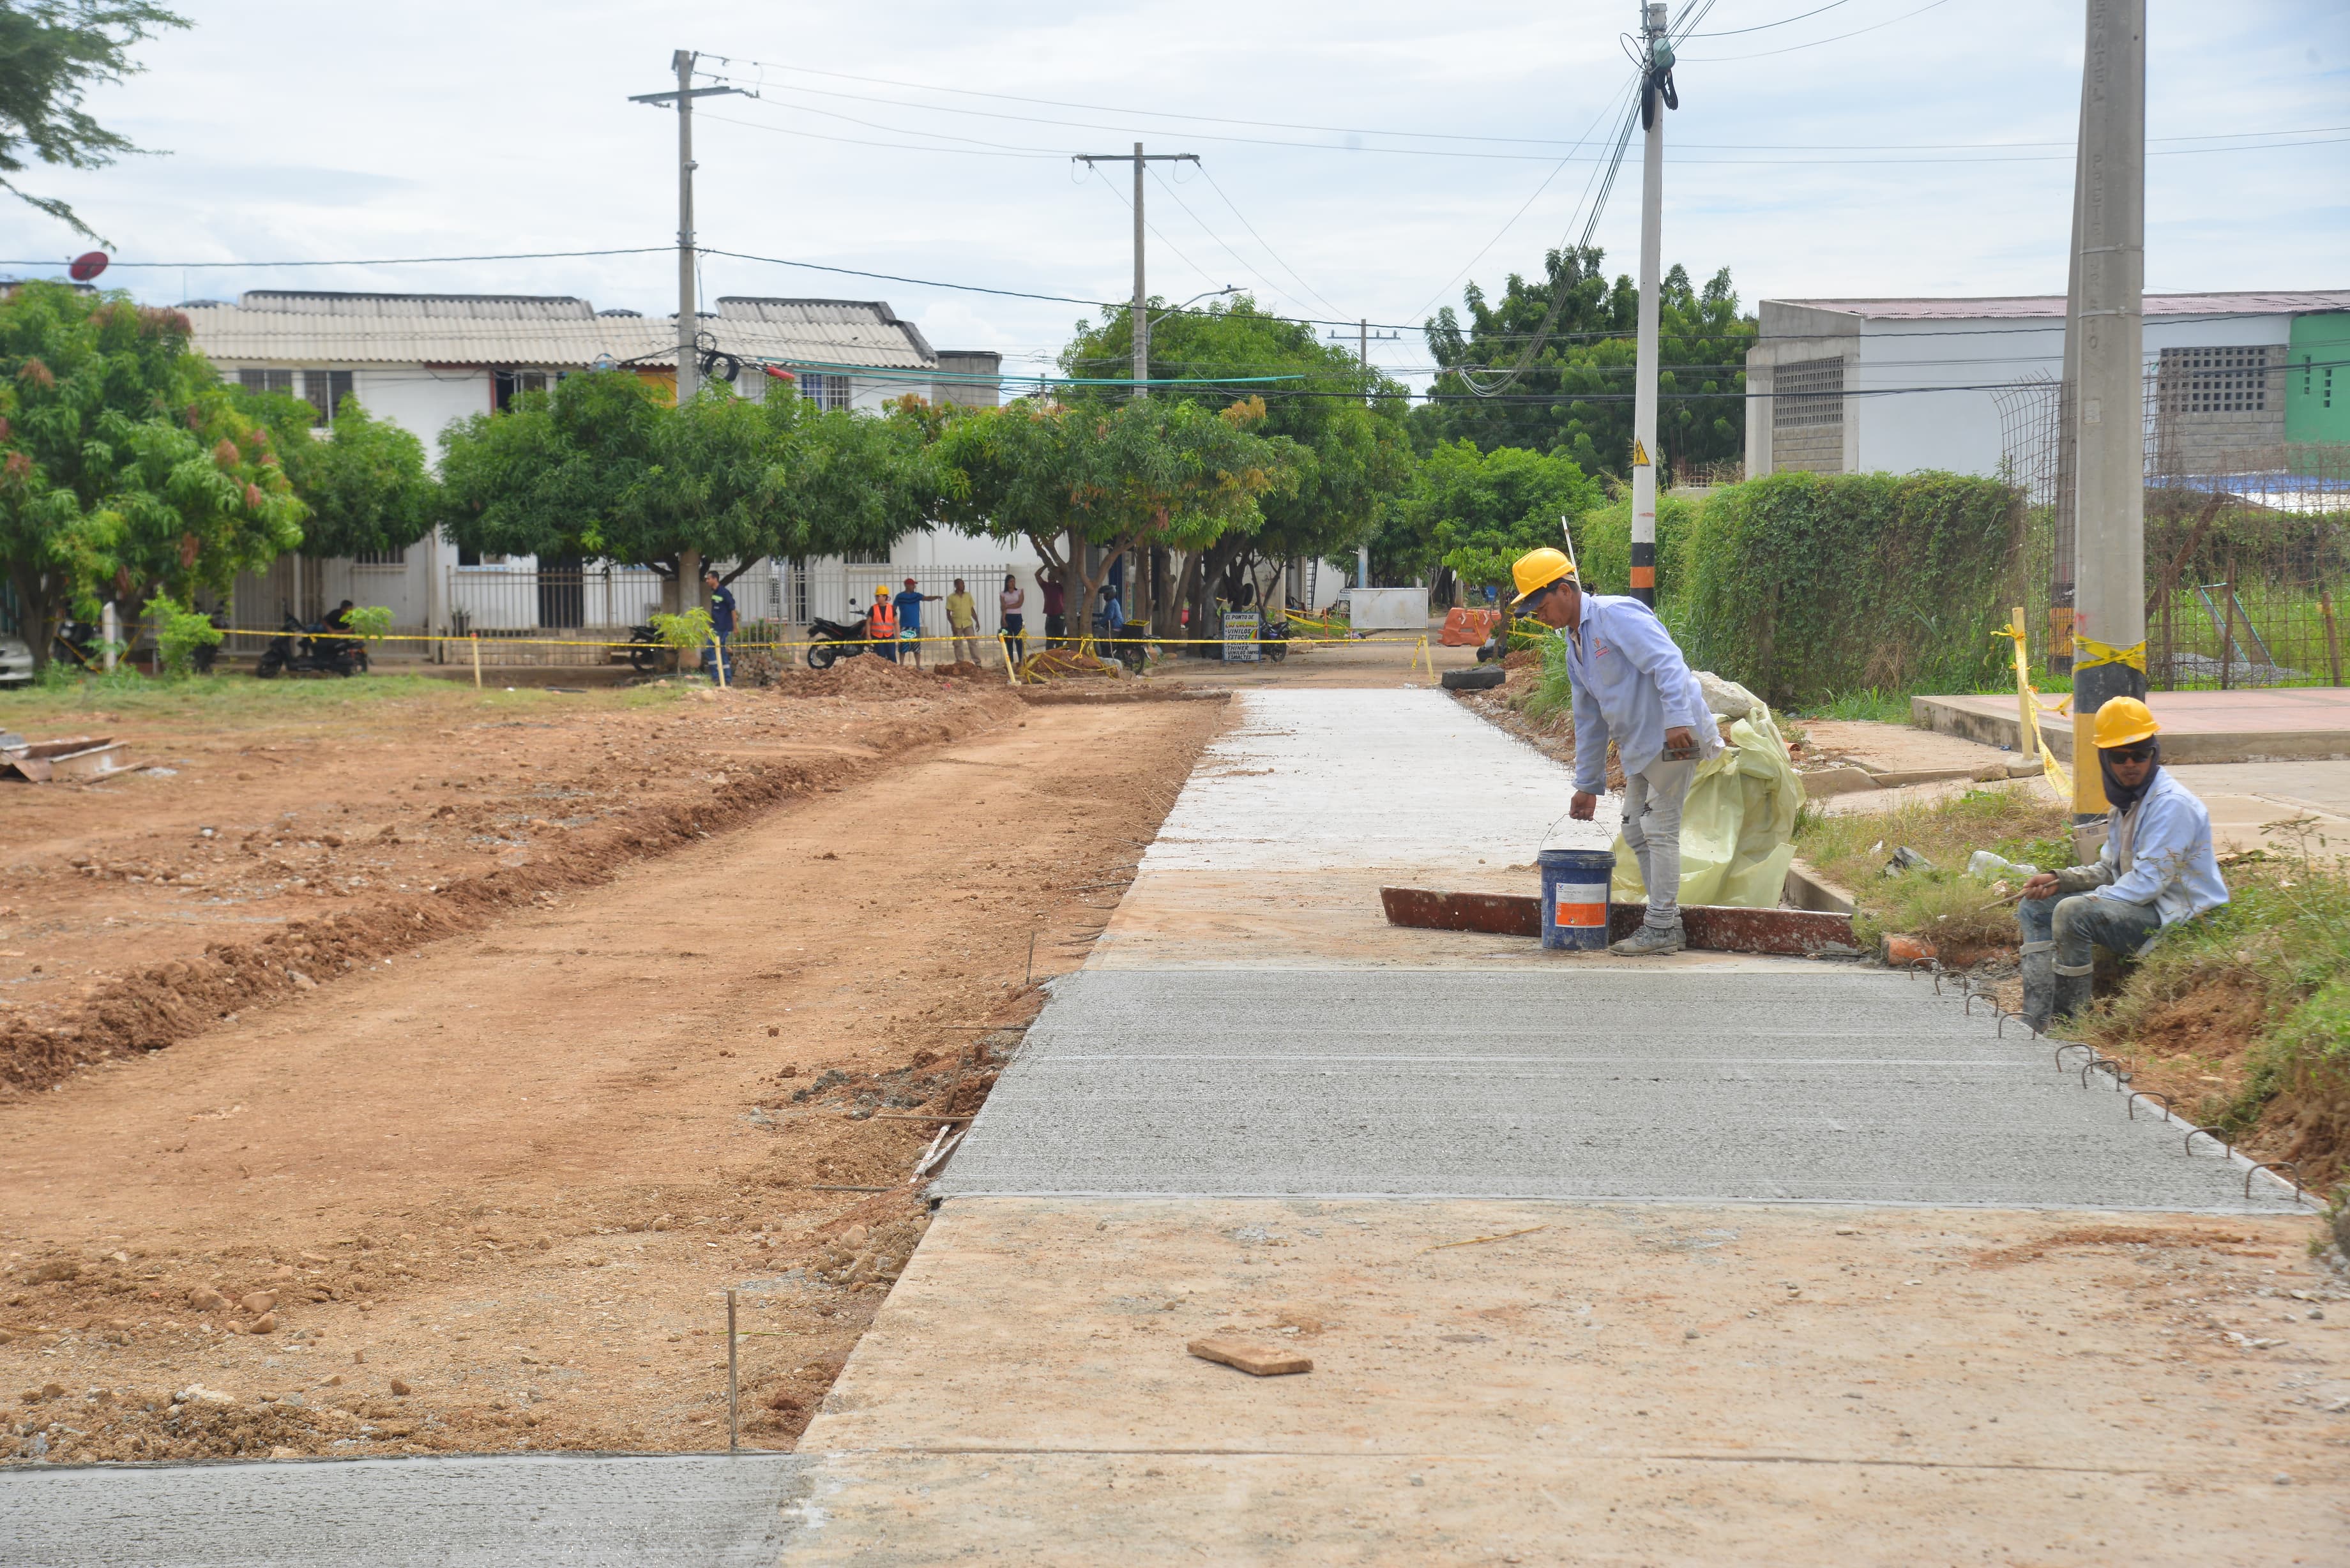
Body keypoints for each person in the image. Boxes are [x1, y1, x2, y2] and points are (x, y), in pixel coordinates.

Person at [1510, 545, 1720, 956]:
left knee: (1658, 829)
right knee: (1634, 830)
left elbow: (1669, 663)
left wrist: (1678, 719)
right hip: (1642, 746)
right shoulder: (1575, 646)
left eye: (1542, 604)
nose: (1540, 615)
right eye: (1533, 610)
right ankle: (1666, 921)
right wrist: (1588, 783)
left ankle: (1661, 925)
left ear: (1566, 590)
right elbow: (1589, 718)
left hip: (1676, 738)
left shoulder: (1614, 615)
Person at [2016, 697, 2227, 1029]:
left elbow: (2145, 885)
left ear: (2154, 754)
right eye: (2119, 756)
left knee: (2073, 913)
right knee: (2034, 907)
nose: (2131, 763)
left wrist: (2086, 898)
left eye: (2140, 754)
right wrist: (2060, 879)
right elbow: (2110, 871)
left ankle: (2070, 1025)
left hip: (2179, 916)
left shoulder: (2171, 806)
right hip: (2144, 905)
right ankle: (2037, 1018)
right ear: (2105, 760)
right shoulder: (2128, 803)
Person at [892, 577, 937, 668]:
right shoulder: (900, 596)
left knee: (917, 647)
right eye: (913, 585)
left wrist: (936, 597)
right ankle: (901, 665)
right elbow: (894, 609)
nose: (914, 587)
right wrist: (893, 619)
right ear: (907, 585)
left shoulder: (917, 596)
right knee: (903, 647)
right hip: (904, 626)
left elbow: (927, 598)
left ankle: (918, 665)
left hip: (915, 626)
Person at [702, 569, 736, 682]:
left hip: (723, 628)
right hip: (716, 628)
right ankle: (726, 679)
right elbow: (715, 612)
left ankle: (717, 677)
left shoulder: (724, 593)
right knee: (721, 652)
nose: (707, 581)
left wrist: (735, 627)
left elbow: (732, 609)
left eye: (709, 578)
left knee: (710, 649)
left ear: (715, 579)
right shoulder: (715, 593)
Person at [944, 578, 981, 667]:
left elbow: (972, 610)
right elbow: (948, 614)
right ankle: (960, 663)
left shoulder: (968, 596)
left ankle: (978, 663)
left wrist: (977, 621)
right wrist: (953, 625)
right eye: (961, 584)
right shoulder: (951, 598)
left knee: (972, 642)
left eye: (964, 584)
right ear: (956, 586)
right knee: (957, 644)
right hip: (957, 624)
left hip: (968, 623)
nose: (963, 586)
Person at [999, 573, 1027, 664]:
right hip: (1008, 617)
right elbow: (1003, 608)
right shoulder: (1003, 594)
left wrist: (1007, 606)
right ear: (1007, 583)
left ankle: (1021, 660)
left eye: (1014, 582)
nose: (1013, 583)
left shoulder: (1019, 592)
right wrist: (1003, 619)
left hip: (1017, 617)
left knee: (1019, 640)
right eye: (1011, 582)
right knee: (1009, 640)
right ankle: (1010, 661)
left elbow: (1019, 604)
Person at [867, 583, 898, 662]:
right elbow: (868, 623)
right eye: (876, 596)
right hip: (877, 636)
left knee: (892, 655)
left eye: (878, 596)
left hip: (889, 636)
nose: (876, 598)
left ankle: (893, 672)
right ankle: (882, 673)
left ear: (885, 597)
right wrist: (868, 636)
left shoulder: (891, 608)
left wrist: (898, 636)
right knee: (881, 656)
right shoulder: (873, 608)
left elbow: (896, 623)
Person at [1040, 567, 1066, 647]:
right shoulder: (1045, 586)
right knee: (1050, 640)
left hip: (1060, 616)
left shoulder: (1061, 586)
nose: (1052, 580)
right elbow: (1037, 575)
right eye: (1050, 578)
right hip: (1050, 617)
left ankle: (1059, 657)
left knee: (1059, 640)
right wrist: (1046, 565)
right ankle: (1049, 657)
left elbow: (1065, 576)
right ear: (1048, 579)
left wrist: (1057, 571)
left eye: (1054, 578)